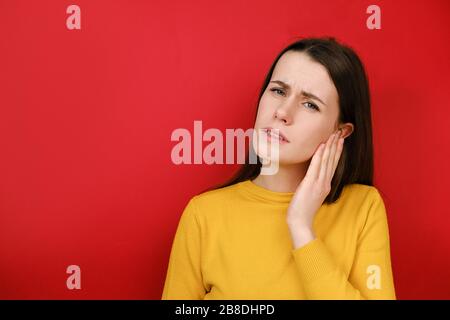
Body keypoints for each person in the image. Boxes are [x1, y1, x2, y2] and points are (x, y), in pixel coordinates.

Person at [161, 37, 396, 300]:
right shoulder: (203, 214)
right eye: (278, 91)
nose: (283, 111)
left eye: (310, 104)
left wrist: (301, 226)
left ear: (340, 132)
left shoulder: (363, 208)